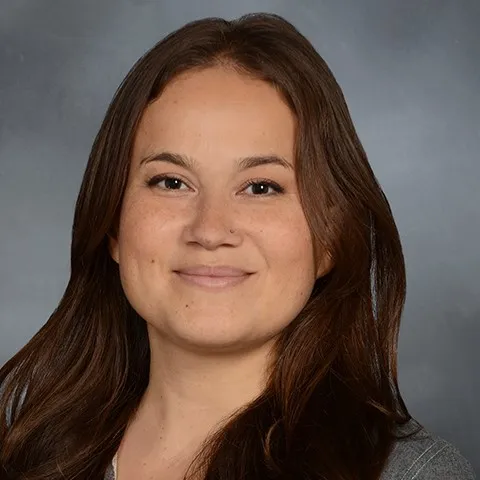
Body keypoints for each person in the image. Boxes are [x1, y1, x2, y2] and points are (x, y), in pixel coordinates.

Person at [0, 12, 476, 480]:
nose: (210, 230)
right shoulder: (24, 453)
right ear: (113, 227)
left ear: (330, 239)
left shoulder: (412, 474)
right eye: (171, 182)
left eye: (261, 188)